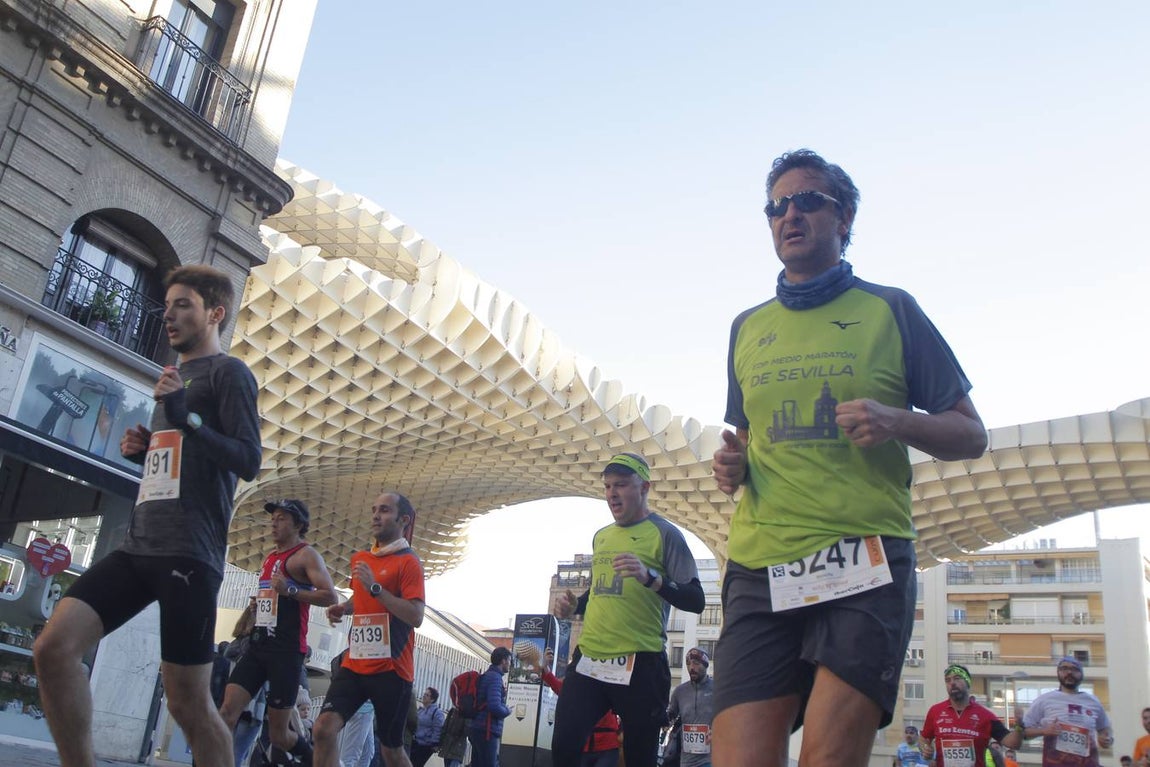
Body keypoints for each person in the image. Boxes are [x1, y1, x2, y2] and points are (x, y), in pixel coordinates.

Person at [710, 149, 987, 767]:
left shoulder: (891, 308)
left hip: (864, 562)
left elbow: (972, 436)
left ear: (845, 217)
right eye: (776, 205)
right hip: (761, 567)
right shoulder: (746, 327)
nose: (790, 214)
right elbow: (750, 439)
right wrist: (735, 466)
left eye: (808, 199)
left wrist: (897, 420)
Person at [34, 264, 262, 767]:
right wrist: (148, 452)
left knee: (188, 704)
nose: (169, 316)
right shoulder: (175, 379)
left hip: (189, 555)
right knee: (53, 649)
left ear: (215, 313)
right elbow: (187, 460)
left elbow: (248, 459)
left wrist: (187, 418)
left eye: (184, 305)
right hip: (139, 547)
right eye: (167, 306)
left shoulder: (230, 374)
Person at [552, 453, 704, 767]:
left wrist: (651, 578)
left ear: (644, 487)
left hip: (640, 663)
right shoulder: (602, 537)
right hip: (590, 661)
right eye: (607, 486)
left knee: (639, 758)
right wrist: (572, 607)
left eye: (621, 485)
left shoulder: (666, 535)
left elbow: (695, 598)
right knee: (564, 750)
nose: (612, 493)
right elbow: (597, 594)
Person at [220, 498, 338, 765]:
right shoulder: (270, 557)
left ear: (298, 524)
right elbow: (274, 596)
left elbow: (330, 595)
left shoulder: (306, 555)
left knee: (279, 735)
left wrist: (290, 590)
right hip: (258, 645)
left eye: (282, 518)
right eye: (273, 518)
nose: (274, 523)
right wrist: (259, 602)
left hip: (285, 651)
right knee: (226, 713)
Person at [312, 491, 425, 767]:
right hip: (355, 663)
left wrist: (376, 588)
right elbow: (360, 597)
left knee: (391, 752)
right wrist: (344, 608)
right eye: (374, 509)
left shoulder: (409, 562)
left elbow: (416, 615)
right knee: (323, 729)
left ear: (404, 520)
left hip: (392, 669)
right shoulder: (361, 559)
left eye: (385, 510)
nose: (376, 515)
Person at [1003, 657, 1113, 766]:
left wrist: (1107, 739)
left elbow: (1105, 729)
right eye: (1064, 669)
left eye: (1075, 669)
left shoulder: (1093, 701)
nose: (1069, 672)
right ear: (1058, 673)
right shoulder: (1045, 700)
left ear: (1082, 674)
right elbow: (1024, 733)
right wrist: (1044, 731)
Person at [538, 648, 621, 767]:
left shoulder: (611, 679)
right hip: (586, 746)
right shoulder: (578, 686)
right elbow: (559, 687)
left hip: (606, 746)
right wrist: (545, 668)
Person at [921, 664, 1009, 767]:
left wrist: (1020, 727)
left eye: (957, 678)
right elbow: (923, 738)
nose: (952, 683)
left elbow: (1011, 742)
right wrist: (925, 748)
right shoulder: (935, 711)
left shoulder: (985, 715)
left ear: (968, 682)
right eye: (948, 680)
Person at [667, 648, 715, 767]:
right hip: (686, 761)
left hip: (710, 759)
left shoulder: (717, 688)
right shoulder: (680, 691)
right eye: (688, 664)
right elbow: (670, 716)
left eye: (696, 663)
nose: (691, 668)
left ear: (705, 665)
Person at [469, 647, 512, 767]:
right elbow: (494, 706)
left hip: (477, 727)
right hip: (487, 729)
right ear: (503, 661)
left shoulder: (487, 675)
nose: (510, 664)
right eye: (509, 660)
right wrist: (507, 710)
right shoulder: (495, 678)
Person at [411, 687, 447, 767]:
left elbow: (438, 729)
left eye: (427, 695)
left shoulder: (437, 713)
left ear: (432, 699)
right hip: (415, 742)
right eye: (424, 694)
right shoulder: (421, 710)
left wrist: (433, 744)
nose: (424, 696)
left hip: (425, 745)